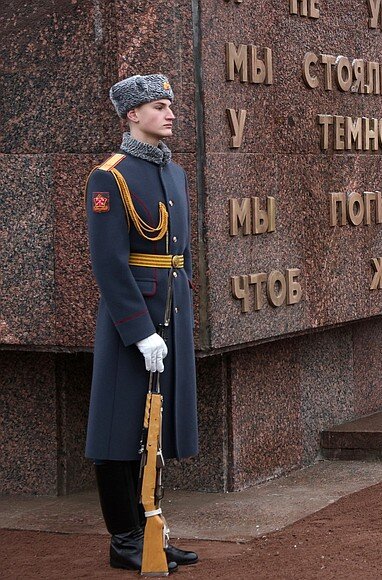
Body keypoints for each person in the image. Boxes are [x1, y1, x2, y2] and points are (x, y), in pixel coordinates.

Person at [85, 73, 198, 572]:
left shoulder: (173, 172)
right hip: (132, 320)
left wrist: (181, 306)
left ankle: (152, 528)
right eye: (158, 106)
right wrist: (139, 330)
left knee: (154, 430)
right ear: (132, 115)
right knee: (118, 431)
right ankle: (125, 538)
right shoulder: (110, 176)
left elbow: (181, 254)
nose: (170, 113)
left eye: (170, 105)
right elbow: (109, 264)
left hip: (171, 313)